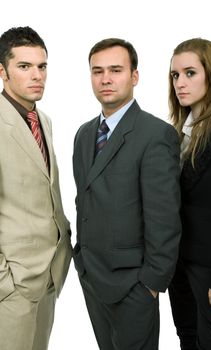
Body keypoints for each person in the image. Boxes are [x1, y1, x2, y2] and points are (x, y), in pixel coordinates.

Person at [72, 37, 181, 350]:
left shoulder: (155, 134)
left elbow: (164, 218)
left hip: (133, 283)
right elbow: (85, 200)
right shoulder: (83, 134)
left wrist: (152, 283)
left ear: (135, 76)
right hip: (92, 277)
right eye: (97, 71)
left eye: (116, 70)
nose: (106, 78)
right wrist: (82, 264)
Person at [0, 26, 72, 350]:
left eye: (42, 66)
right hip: (12, 286)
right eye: (24, 66)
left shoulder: (43, 119)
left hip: (49, 275)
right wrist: (5, 282)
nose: (37, 75)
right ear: (2, 71)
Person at [168, 38, 211, 350]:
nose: (181, 82)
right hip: (180, 268)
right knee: (187, 341)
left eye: (190, 73)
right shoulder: (179, 130)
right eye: (175, 75)